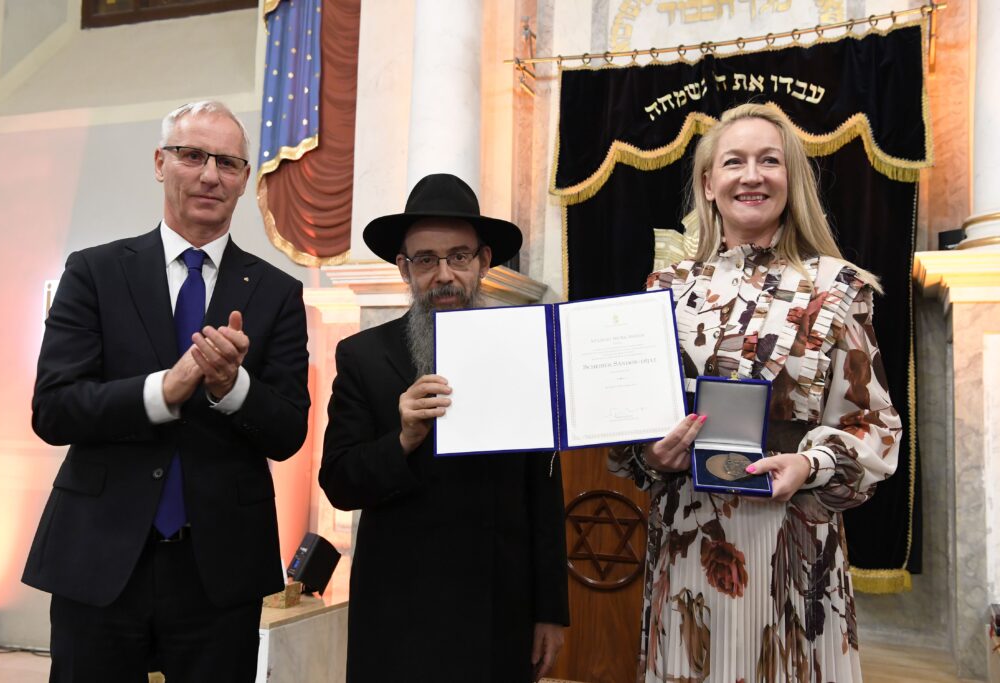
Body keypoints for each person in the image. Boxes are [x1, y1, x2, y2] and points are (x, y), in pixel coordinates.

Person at [609, 103, 901, 682]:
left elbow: (876, 425)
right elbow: (631, 424)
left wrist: (810, 464)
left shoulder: (837, 287)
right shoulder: (664, 290)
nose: (751, 176)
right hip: (688, 543)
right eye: (734, 162)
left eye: (769, 161)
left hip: (793, 545)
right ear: (708, 184)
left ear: (791, 180)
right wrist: (650, 455)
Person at [22, 101, 311, 682]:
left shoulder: (277, 292)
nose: (210, 175)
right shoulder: (95, 272)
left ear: (245, 179)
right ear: (160, 163)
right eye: (192, 155)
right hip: (99, 554)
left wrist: (232, 388)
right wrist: (164, 390)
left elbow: (288, 432)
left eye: (227, 163)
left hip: (220, 568)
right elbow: (54, 410)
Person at [319, 173, 569, 683]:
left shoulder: (521, 351)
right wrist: (402, 439)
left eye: (459, 256)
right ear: (404, 268)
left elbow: (543, 491)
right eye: (426, 260)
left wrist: (551, 609)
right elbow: (340, 482)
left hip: (498, 609)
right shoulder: (363, 357)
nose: (444, 275)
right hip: (399, 612)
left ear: (483, 261)